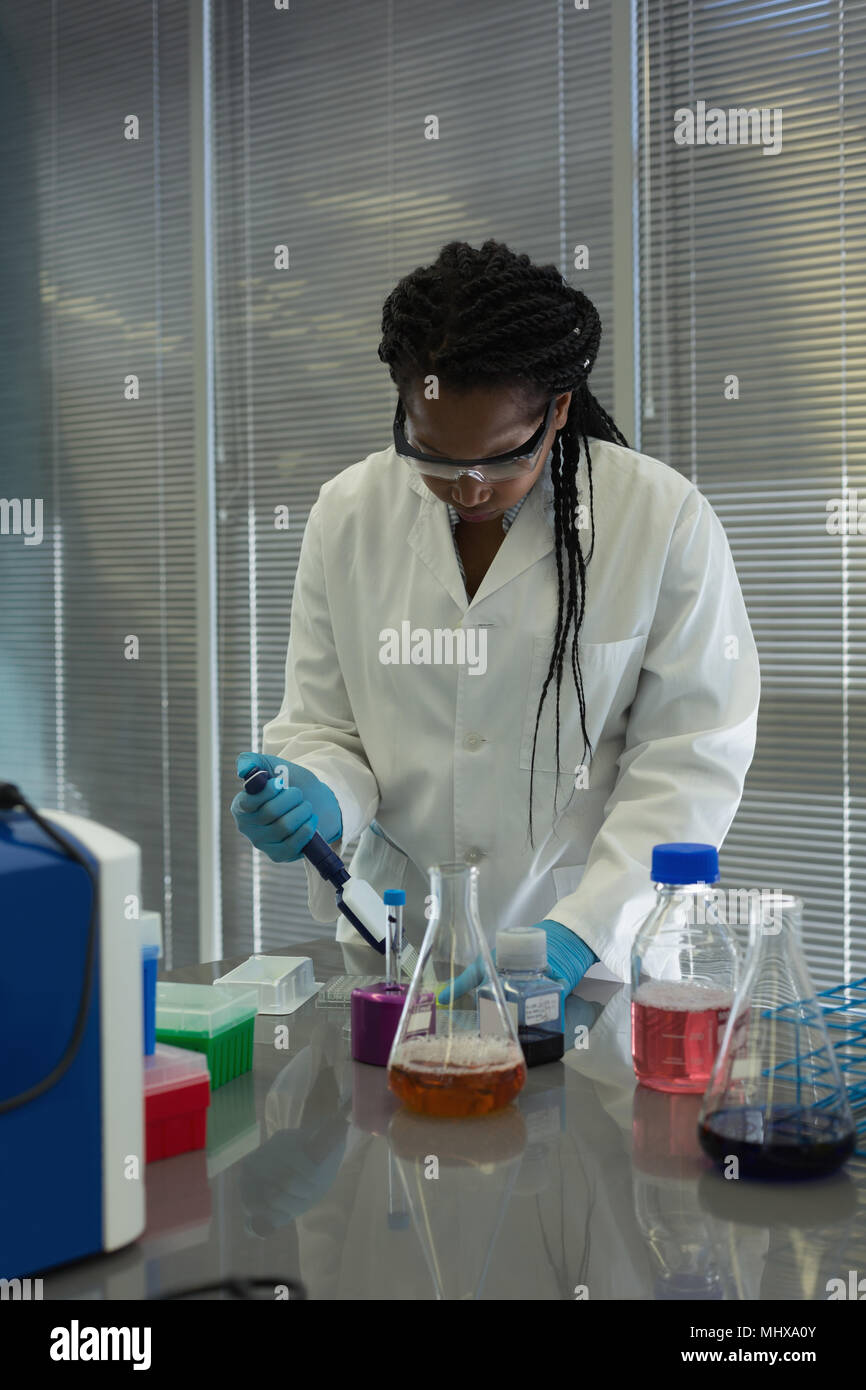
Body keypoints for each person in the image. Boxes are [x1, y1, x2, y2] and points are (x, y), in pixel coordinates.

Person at [231, 239, 760, 993]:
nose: (468, 489)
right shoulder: (347, 514)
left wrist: (585, 933)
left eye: (503, 460)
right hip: (397, 951)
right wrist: (315, 790)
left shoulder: (660, 518)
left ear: (560, 411)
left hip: (592, 964)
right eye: (435, 456)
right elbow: (328, 725)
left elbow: (690, 755)